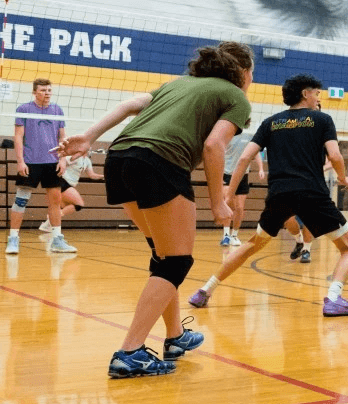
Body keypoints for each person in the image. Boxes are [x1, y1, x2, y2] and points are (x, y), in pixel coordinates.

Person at [54, 41, 253, 378]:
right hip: (158, 161)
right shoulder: (236, 97)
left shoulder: (178, 84)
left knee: (164, 256)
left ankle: (175, 337)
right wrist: (218, 201)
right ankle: (129, 352)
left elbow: (130, 104)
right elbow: (213, 145)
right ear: (244, 72)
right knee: (177, 261)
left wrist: (88, 137)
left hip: (120, 157)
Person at [188, 73, 348, 318]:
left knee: (252, 244)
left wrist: (228, 195)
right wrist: (343, 178)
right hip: (311, 193)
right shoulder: (322, 119)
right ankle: (334, 299)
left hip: (278, 195)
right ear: (305, 93)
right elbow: (335, 156)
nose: (318, 98)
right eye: (316, 93)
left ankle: (205, 290)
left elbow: (244, 158)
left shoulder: (270, 123)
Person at [6, 78, 77, 254]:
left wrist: (62, 159)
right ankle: (13, 239)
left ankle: (57, 240)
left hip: (52, 162)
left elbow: (62, 137)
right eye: (43, 90)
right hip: (30, 162)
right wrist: (20, 161)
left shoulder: (57, 110)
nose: (47, 93)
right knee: (20, 201)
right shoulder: (24, 109)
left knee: (55, 202)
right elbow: (18, 136)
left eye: (49, 90)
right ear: (34, 92)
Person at [38, 153, 105, 232]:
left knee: (65, 206)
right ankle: (51, 220)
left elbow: (92, 175)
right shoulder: (74, 156)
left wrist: (104, 176)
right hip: (63, 182)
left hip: (70, 185)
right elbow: (62, 162)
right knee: (79, 204)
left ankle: (48, 223)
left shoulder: (87, 160)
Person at [220, 134, 265, 246]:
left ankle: (234, 235)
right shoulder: (228, 134)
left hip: (243, 176)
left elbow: (255, 153)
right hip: (227, 174)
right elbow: (219, 153)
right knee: (228, 204)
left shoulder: (249, 136)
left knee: (239, 207)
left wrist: (261, 168)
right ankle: (226, 235)